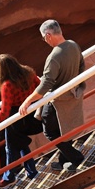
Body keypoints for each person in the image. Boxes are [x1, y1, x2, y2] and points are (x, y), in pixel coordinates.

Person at [19, 20, 86, 172]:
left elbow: (46, 84)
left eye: (43, 37)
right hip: (72, 95)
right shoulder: (73, 45)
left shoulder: (54, 56)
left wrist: (27, 101)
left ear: (48, 35)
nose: (45, 41)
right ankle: (64, 160)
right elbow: (81, 66)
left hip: (56, 100)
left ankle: (76, 157)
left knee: (50, 132)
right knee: (64, 128)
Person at [0, 54, 43, 187]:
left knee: (10, 148)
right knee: (21, 143)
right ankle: (32, 172)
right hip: (28, 111)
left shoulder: (7, 85)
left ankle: (10, 177)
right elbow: (40, 87)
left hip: (15, 117)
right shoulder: (28, 72)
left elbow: (4, 113)